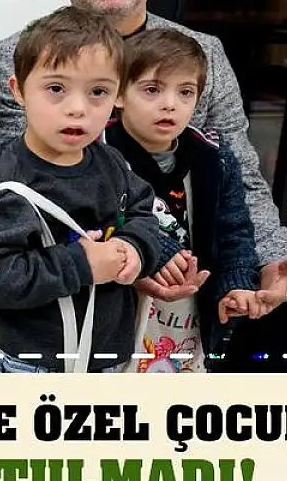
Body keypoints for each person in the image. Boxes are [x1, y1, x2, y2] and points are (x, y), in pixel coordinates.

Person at [0, 0, 287, 382]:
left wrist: (271, 257)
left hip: (193, 238)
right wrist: (136, 255)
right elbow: (28, 184)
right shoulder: (21, 56)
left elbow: (241, 172)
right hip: (95, 244)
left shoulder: (201, 53)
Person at [0, 6, 169, 373]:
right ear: (19, 91)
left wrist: (134, 248)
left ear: (118, 96)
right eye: (56, 89)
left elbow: (142, 213)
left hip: (110, 357)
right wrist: (82, 265)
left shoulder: (111, 163)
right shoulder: (9, 186)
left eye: (98, 91)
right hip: (34, 366)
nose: (77, 108)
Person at [107, 28, 272, 374]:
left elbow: (235, 232)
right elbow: (95, 223)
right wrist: (155, 250)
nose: (170, 104)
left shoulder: (214, 157)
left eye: (185, 92)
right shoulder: (98, 153)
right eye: (152, 90)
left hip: (187, 322)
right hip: (116, 319)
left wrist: (237, 284)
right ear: (119, 94)